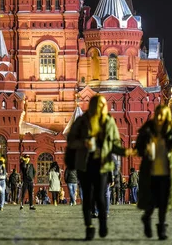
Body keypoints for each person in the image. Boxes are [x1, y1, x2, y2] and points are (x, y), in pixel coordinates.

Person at [66, 94, 132, 241]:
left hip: (103, 165)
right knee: (87, 198)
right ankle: (89, 227)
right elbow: (71, 141)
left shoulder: (108, 122)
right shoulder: (82, 121)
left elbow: (115, 143)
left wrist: (125, 151)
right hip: (85, 165)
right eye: (98, 104)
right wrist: (84, 143)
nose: (101, 107)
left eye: (103, 104)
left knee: (101, 196)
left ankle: (103, 223)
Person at [136, 104, 172, 241]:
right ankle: (146, 218)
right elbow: (138, 148)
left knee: (164, 203)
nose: (159, 117)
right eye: (157, 114)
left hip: (167, 171)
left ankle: (161, 229)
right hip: (150, 172)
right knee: (152, 202)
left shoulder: (171, 130)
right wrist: (145, 149)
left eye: (162, 115)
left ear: (166, 116)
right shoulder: (147, 129)